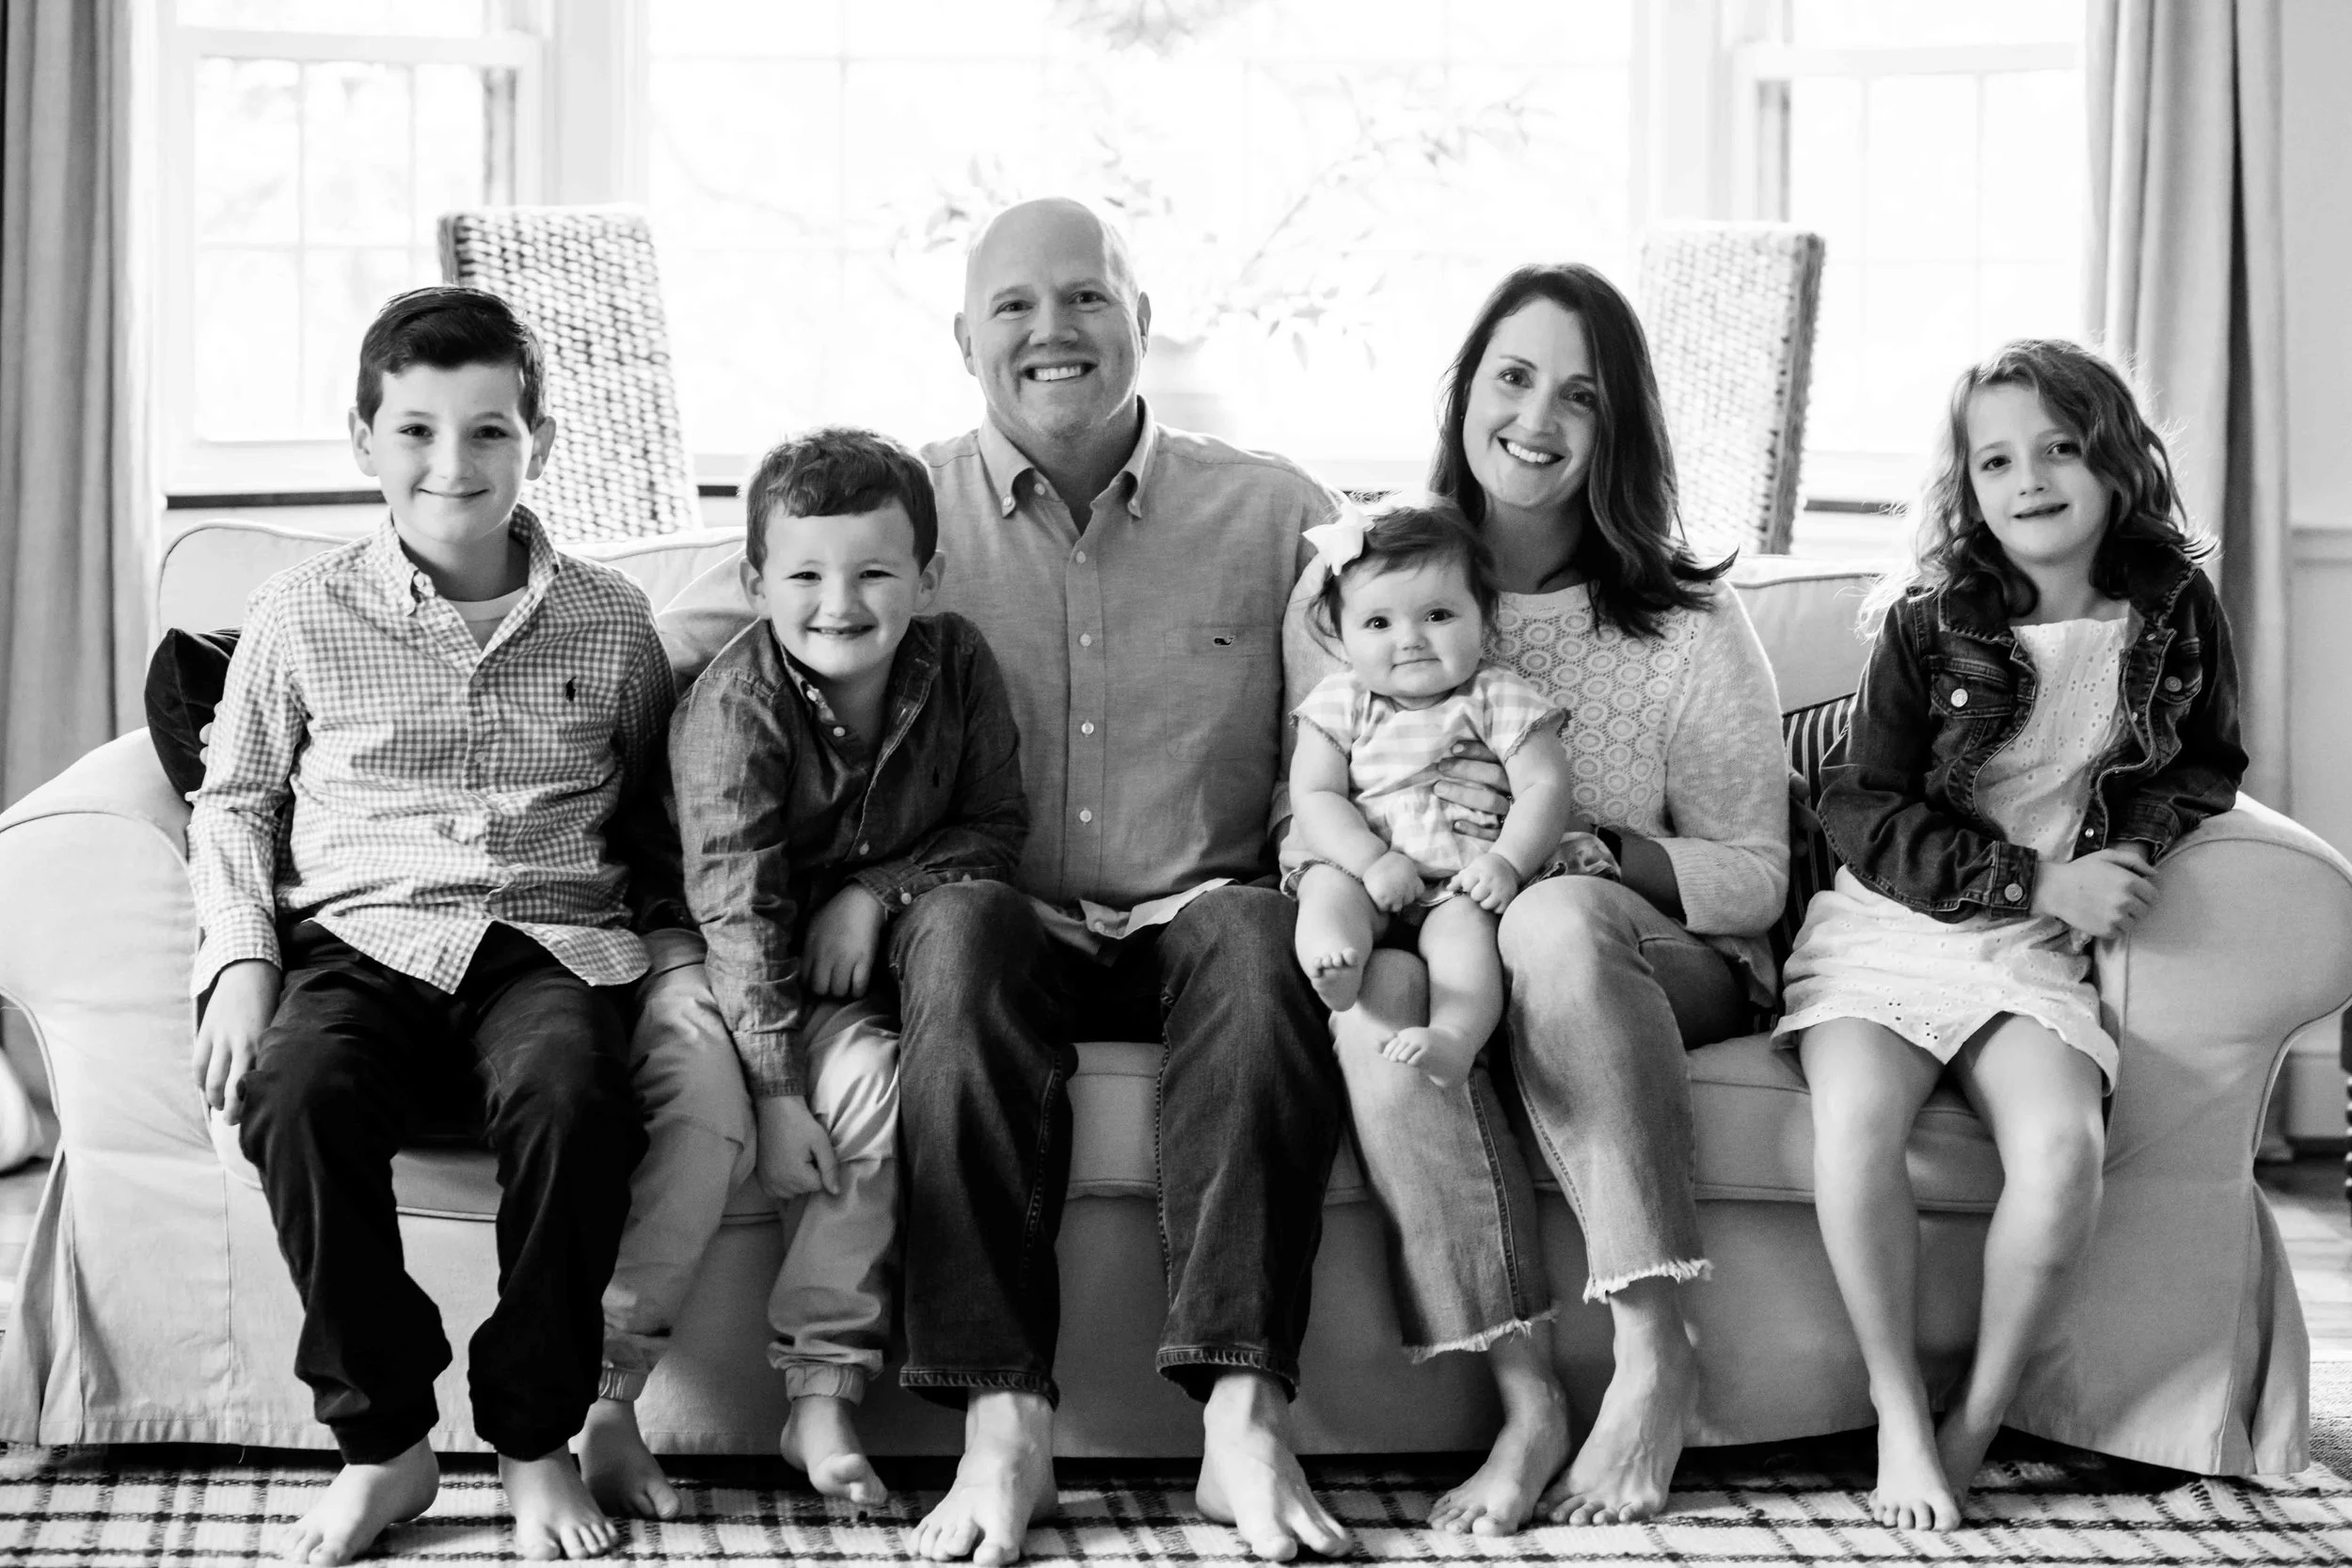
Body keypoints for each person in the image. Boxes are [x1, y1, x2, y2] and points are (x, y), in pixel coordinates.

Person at [655, 195, 1357, 1564]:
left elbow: (1352, 719)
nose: (1054, 329)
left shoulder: (1277, 511)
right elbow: (687, 639)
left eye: (1087, 296)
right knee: (961, 925)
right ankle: (1002, 1423)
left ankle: (1243, 1421)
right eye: (1015, 305)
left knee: (1259, 933)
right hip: (991, 915)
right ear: (963, 336)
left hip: (1199, 916)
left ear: (1141, 319)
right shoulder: (892, 516)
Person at [187, 285, 675, 1564]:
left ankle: (534, 1437)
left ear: (538, 443)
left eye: (489, 430)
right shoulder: (302, 610)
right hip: (364, 942)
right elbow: (234, 798)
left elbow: (648, 809)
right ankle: (385, 1441)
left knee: (576, 1097)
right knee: (295, 1092)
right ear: (364, 440)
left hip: (549, 944)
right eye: (415, 430)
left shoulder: (611, 620)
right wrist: (241, 960)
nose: (452, 463)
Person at [1321, 262, 1790, 1537]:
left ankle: (1653, 1351)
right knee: (1380, 1000)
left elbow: (1758, 871)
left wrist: (1588, 850)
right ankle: (1525, 1399)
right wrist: (1373, 873)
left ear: (1615, 427)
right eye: (1513, 377)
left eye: (1579, 395)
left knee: (1551, 913)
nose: (1537, 418)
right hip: (1438, 931)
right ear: (1465, 392)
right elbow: (1304, 796)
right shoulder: (1380, 585)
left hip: (1651, 957)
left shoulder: (1689, 623)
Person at [1774, 340, 2246, 1529]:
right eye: (1995, 459)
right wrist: (2037, 877)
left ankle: (1975, 1419)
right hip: (1892, 925)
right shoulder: (1927, 618)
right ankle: (1895, 1407)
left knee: (2061, 1150)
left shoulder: (2175, 604)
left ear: (2116, 460)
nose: (2028, 477)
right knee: (1857, 1125)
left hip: (2029, 951)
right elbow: (1860, 805)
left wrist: (2133, 848)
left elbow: (2205, 760)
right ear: (1966, 484)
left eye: (2059, 447)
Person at [1289, 495, 1606, 1089]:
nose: (1410, 639)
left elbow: (1544, 786)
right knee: (1326, 893)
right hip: (1363, 868)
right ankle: (1334, 965)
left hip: (1460, 879)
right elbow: (1315, 795)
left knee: (1466, 941)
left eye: (1437, 615)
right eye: (1378, 623)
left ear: (1484, 618)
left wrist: (1506, 861)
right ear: (1341, 637)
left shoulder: (1496, 695)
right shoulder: (1339, 700)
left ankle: (1455, 1036)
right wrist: (1371, 860)